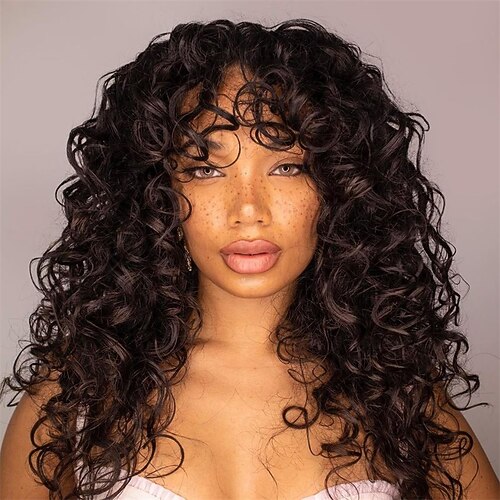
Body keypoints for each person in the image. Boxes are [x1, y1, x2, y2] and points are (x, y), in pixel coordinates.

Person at [0, 18, 498, 500]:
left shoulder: (398, 396)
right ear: (155, 192)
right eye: (206, 169)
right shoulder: (77, 390)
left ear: (341, 187)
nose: (248, 210)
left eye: (287, 167)